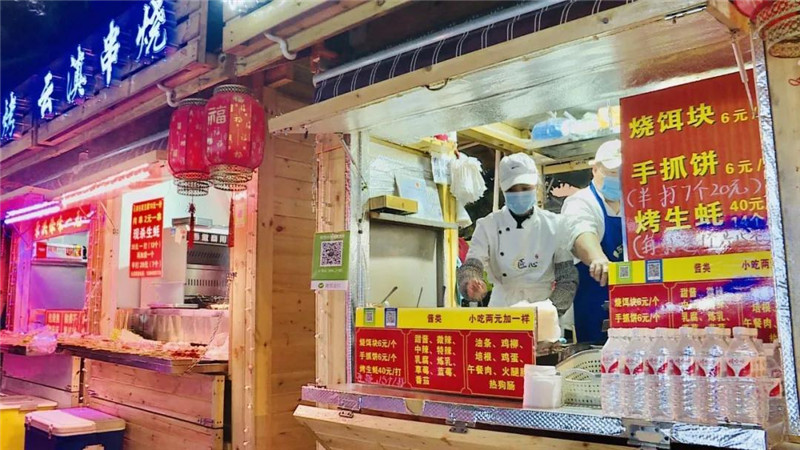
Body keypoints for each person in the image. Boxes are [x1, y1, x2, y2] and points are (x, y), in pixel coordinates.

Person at [457, 153, 610, 316]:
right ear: (503, 190)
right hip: (502, 311)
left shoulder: (556, 224)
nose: (519, 194)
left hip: (544, 308)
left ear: (536, 186)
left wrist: (552, 310)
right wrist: (469, 281)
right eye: (512, 190)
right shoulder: (488, 225)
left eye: (525, 188)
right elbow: (472, 265)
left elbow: (567, 278)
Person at [561, 139, 624, 343]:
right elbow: (581, 231)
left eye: (622, 173)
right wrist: (598, 258)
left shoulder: (634, 201)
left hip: (632, 304)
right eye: (611, 172)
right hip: (593, 303)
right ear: (595, 169)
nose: (617, 178)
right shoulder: (580, 202)